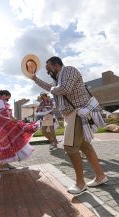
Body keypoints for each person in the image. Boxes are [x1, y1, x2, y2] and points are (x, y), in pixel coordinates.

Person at [31, 56, 107, 194]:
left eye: (49, 69)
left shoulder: (70, 70)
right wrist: (35, 79)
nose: (48, 72)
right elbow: (51, 87)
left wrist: (52, 88)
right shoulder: (57, 80)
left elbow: (65, 89)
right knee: (84, 145)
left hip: (78, 112)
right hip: (71, 114)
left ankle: (80, 183)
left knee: (69, 146)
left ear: (56, 65)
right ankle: (100, 176)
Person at [0, 90, 40, 171]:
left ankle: (6, 163)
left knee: (9, 142)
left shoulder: (0, 100)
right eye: (7, 98)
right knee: (5, 143)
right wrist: (13, 119)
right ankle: (0, 165)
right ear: (4, 95)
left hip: (2, 124)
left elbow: (5, 113)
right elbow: (3, 112)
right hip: (0, 124)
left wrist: (13, 119)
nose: (7, 100)